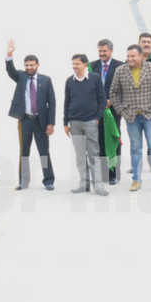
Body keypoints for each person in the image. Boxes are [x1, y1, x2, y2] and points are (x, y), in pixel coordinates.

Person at [109, 45, 151, 192]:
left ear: (140, 56)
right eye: (128, 56)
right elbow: (114, 92)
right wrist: (121, 110)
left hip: (149, 115)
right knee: (135, 148)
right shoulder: (120, 71)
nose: (130, 59)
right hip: (131, 116)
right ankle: (136, 180)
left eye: (133, 56)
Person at [6, 40, 56, 191]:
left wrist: (50, 123)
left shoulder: (46, 80)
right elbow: (10, 70)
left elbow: (52, 103)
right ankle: (23, 181)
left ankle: (48, 180)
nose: (29, 68)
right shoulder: (20, 77)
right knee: (24, 151)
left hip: (41, 122)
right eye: (26, 65)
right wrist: (9, 55)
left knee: (43, 152)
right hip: (25, 120)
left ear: (37, 65)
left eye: (32, 65)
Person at [64, 54, 108, 196]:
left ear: (85, 64)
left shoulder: (94, 78)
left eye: (77, 64)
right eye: (73, 64)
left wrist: (97, 118)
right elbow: (67, 102)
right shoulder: (70, 81)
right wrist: (65, 122)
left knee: (94, 153)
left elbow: (102, 99)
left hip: (90, 122)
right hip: (74, 122)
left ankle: (99, 186)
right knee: (80, 155)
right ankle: (84, 184)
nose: (74, 66)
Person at [90, 39, 125, 185]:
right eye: (100, 51)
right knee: (100, 142)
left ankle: (114, 173)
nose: (102, 54)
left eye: (104, 51)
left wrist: (112, 101)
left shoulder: (120, 66)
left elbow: (125, 89)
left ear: (111, 51)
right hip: (97, 112)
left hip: (113, 111)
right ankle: (103, 173)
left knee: (113, 141)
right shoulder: (92, 66)